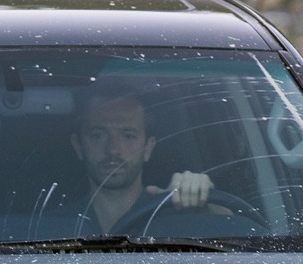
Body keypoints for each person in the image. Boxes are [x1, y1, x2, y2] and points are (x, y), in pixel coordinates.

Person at [44, 80, 220, 235]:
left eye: (128, 136)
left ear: (148, 148)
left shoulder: (176, 217)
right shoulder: (50, 228)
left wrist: (207, 201)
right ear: (78, 146)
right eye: (98, 135)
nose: (113, 149)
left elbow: (240, 231)